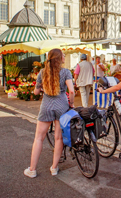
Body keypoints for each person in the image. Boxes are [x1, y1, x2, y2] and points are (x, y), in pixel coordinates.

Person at [24, 49, 75, 178]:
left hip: (46, 105)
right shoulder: (65, 72)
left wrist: (41, 88)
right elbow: (72, 91)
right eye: (63, 55)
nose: (64, 56)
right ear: (59, 59)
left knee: (39, 138)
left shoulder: (42, 72)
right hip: (62, 106)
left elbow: (35, 93)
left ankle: (32, 169)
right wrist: (72, 104)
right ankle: (54, 168)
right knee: (58, 138)